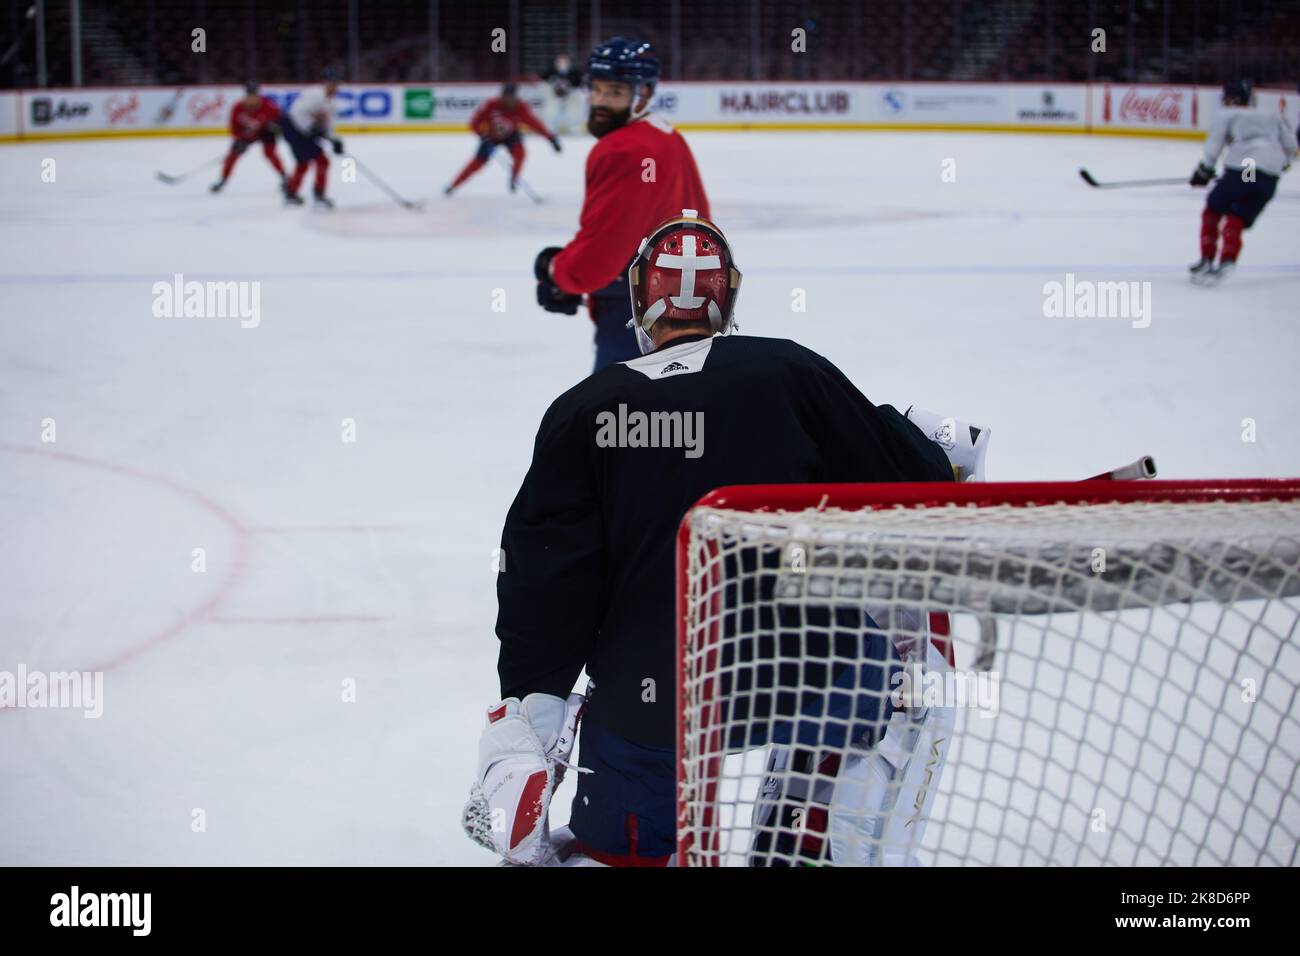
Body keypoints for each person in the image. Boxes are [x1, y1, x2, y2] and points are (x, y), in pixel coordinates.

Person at [464, 211, 957, 866]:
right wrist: (920, 440)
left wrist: (534, 694)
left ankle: (592, 813)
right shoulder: (788, 371)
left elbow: (545, 578)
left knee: (624, 843)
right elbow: (911, 481)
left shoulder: (585, 409)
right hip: (805, 672)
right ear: (725, 299)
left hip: (656, 699)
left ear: (640, 299)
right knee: (880, 673)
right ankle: (815, 829)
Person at [534, 38, 710, 372]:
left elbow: (600, 258)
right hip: (687, 307)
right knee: (674, 419)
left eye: (614, 93)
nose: (599, 102)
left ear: (643, 94)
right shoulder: (665, 134)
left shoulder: (622, 149)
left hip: (637, 315)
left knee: (620, 420)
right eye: (596, 90)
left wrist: (557, 271)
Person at [1189, 79, 1295, 285]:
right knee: (1237, 215)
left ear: (1232, 98)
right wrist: (1282, 164)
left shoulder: (1228, 114)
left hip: (1245, 168)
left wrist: (1205, 170)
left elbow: (1214, 143)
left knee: (1214, 207)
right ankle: (1228, 259)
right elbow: (1291, 146)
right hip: (1268, 176)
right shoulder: (1272, 114)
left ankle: (1207, 258)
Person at [445, 82, 560, 196]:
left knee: (520, 153)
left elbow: (534, 123)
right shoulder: (491, 105)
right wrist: (482, 135)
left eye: (511, 97)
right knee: (476, 163)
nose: (508, 100)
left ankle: (514, 178)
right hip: (490, 137)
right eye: (506, 97)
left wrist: (550, 137)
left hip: (511, 135)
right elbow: (474, 123)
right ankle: (454, 185)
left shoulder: (521, 107)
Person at [211, 82, 286, 193]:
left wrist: (275, 127)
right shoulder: (237, 108)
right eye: (249, 96)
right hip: (247, 134)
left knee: (270, 154)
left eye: (254, 96)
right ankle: (223, 180)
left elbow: (281, 121)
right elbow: (234, 128)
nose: (252, 99)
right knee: (232, 156)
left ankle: (284, 177)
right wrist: (239, 139)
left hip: (266, 132)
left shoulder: (269, 106)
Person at [281, 77, 343, 208]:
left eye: (336, 85)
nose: (334, 88)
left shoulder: (331, 104)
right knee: (322, 161)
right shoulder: (313, 95)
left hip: (302, 133)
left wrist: (335, 140)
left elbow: (329, 125)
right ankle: (318, 194)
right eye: (331, 84)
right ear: (326, 84)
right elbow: (297, 114)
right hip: (293, 130)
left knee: (303, 162)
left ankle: (292, 192)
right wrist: (310, 129)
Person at [541, 53, 584, 136]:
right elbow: (544, 81)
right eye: (560, 61)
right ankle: (550, 130)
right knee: (551, 110)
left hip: (571, 95)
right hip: (555, 95)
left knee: (574, 111)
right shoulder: (550, 71)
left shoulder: (575, 72)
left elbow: (578, 84)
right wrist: (555, 88)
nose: (562, 63)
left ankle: (575, 129)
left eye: (564, 61)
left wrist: (569, 88)